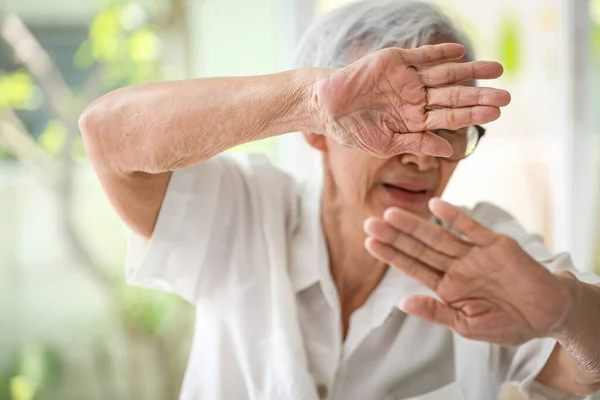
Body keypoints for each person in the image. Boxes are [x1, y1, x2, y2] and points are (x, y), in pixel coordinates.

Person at [79, 0, 600, 399]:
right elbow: (106, 134)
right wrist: (304, 99)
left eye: (447, 128)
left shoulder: (484, 254)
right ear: (317, 132)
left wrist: (568, 312)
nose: (423, 159)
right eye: (391, 124)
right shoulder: (245, 211)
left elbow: (583, 369)